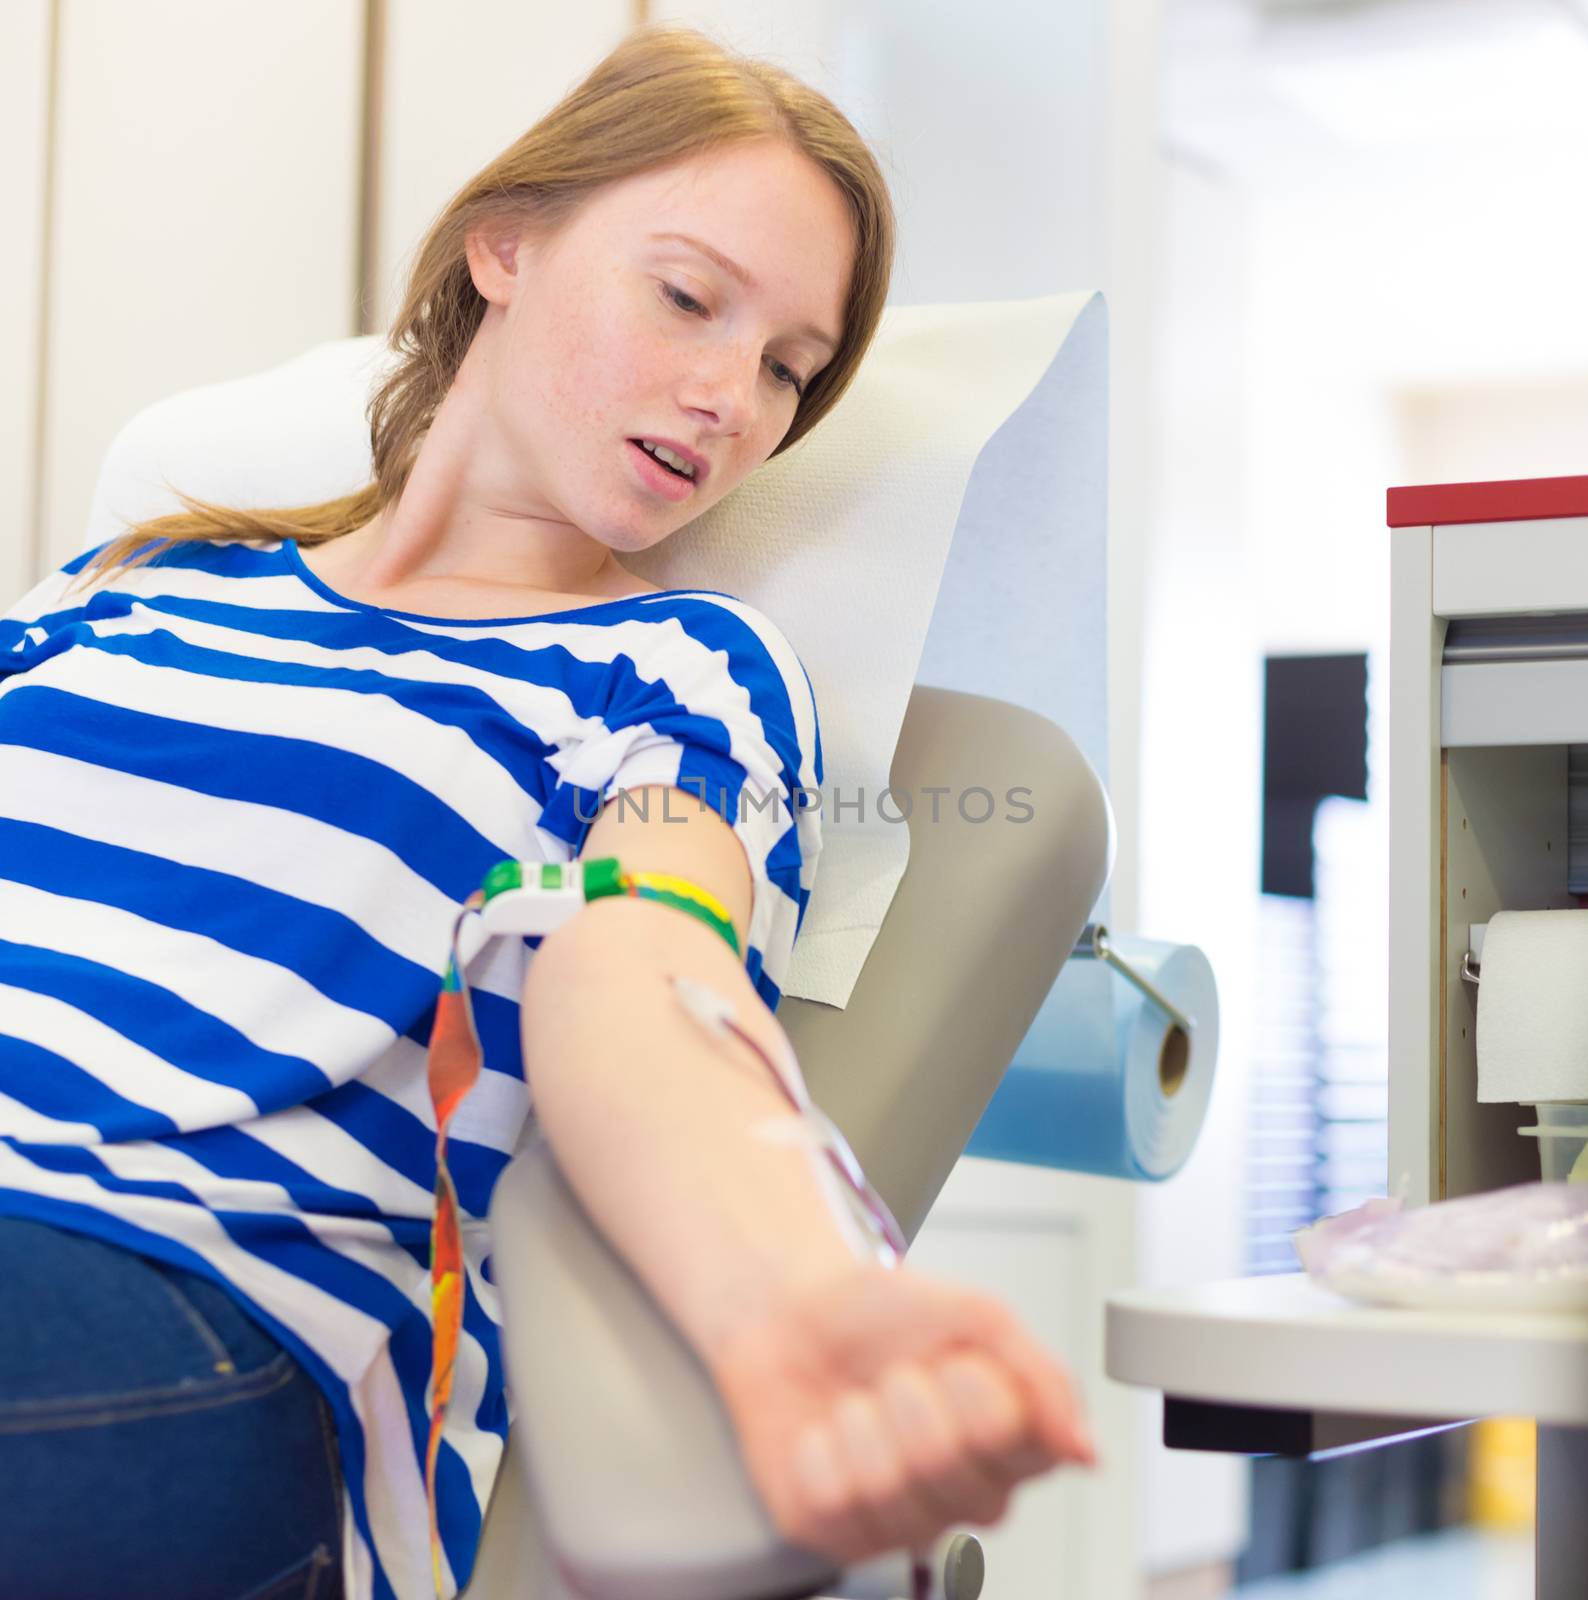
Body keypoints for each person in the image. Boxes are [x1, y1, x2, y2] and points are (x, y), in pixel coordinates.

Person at [0, 25, 1095, 1600]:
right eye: (686, 297)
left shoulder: (674, 672)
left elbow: (646, 974)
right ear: (501, 245)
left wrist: (789, 1292)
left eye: (790, 368)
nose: (731, 397)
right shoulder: (136, 588)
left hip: (199, 1317)